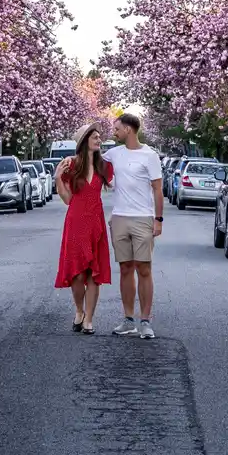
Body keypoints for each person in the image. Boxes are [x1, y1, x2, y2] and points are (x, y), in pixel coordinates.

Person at [105, 113, 163, 340]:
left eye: (117, 128)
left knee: (144, 268)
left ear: (128, 129)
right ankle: (128, 319)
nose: (114, 132)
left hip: (143, 218)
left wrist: (158, 220)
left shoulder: (150, 156)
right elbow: (92, 160)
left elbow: (158, 189)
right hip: (119, 217)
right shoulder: (114, 153)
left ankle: (145, 321)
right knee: (126, 268)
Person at [54, 122, 114, 334]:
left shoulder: (104, 166)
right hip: (76, 223)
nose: (99, 140)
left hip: (96, 223)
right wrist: (57, 179)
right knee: (78, 274)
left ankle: (89, 319)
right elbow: (67, 199)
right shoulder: (71, 165)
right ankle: (79, 311)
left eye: (99, 137)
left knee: (93, 275)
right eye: (95, 137)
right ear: (84, 141)